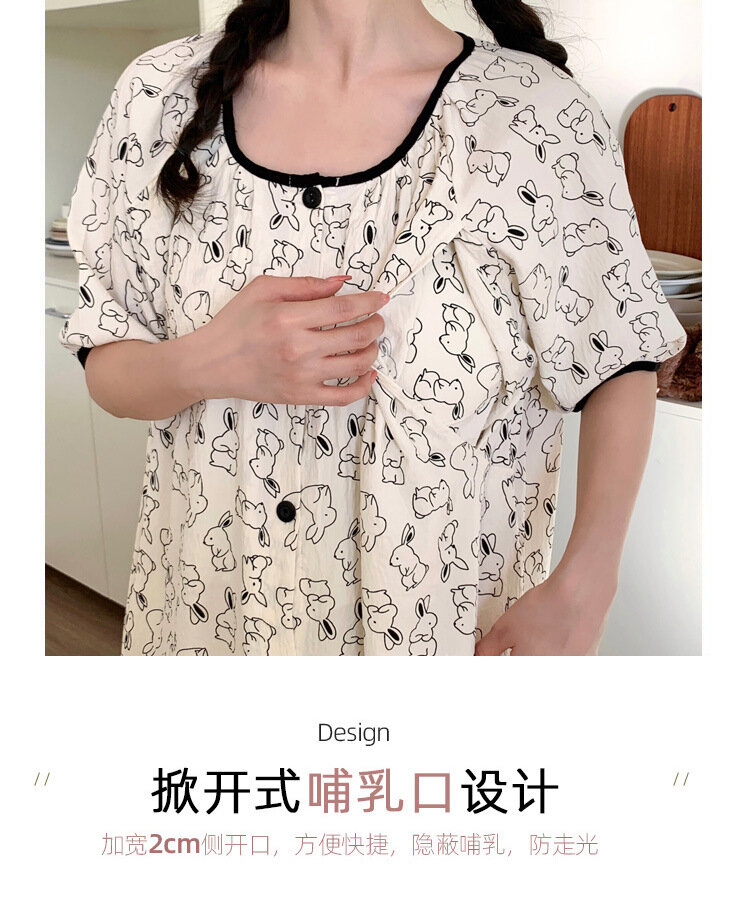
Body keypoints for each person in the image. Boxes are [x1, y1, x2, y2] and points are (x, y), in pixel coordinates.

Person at [58, 0, 687, 656]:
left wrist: (585, 587)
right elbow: (107, 359)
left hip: (443, 635)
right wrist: (206, 361)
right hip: (207, 623)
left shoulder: (538, 115)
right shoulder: (158, 98)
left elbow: (620, 354)